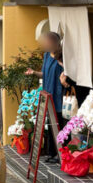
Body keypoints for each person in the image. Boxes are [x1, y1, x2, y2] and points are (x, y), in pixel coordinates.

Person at [25, 31, 64, 161]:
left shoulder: (61, 57)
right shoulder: (47, 55)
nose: (44, 44)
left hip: (58, 95)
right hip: (47, 94)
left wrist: (63, 65)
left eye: (46, 41)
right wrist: (34, 73)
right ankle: (52, 153)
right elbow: (44, 73)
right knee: (50, 124)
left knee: (58, 124)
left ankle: (60, 154)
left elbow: (68, 72)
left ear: (53, 42)